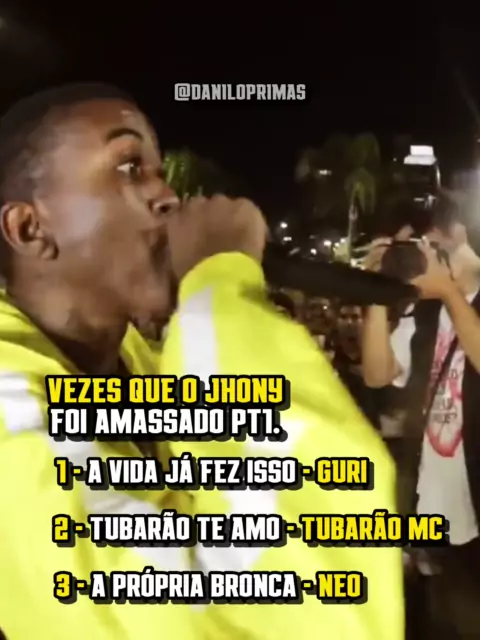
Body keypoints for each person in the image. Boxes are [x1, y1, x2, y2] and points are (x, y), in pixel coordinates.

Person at [0, 84, 402, 639]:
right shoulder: (8, 416)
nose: (167, 195)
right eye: (129, 167)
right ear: (30, 229)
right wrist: (220, 281)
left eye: (158, 171)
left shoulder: (139, 365)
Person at [361, 204, 480, 637]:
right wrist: (375, 293)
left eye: (424, 245)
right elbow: (378, 374)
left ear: (457, 236)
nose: (419, 258)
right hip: (432, 510)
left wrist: (448, 291)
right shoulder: (424, 315)